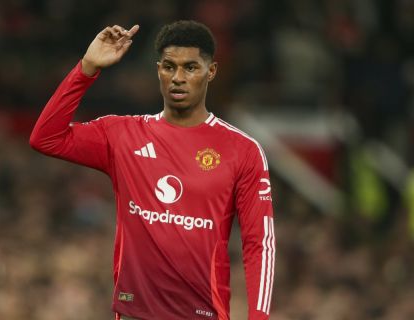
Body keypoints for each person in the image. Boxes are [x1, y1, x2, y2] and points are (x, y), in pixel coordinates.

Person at [30, 20, 275, 320]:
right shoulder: (122, 135)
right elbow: (46, 138)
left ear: (210, 72)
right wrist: (87, 68)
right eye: (169, 67)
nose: (178, 78)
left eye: (191, 68)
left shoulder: (242, 150)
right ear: (158, 69)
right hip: (135, 313)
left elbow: (259, 244)